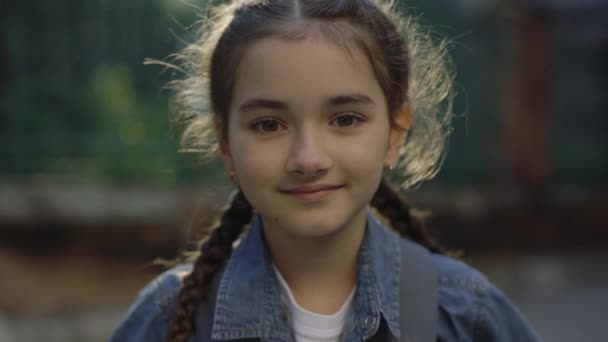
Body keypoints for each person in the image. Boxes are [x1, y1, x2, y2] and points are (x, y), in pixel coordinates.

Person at [111, 0, 541, 341]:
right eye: (269, 125)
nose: (309, 159)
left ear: (394, 134)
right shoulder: (166, 319)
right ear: (226, 145)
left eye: (346, 119)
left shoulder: (464, 314)